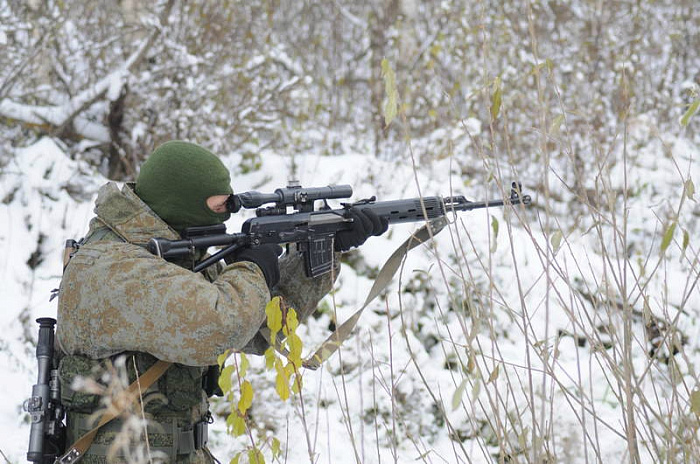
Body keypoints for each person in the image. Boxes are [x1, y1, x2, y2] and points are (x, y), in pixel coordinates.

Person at [55, 140, 387, 463]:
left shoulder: (173, 250)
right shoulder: (114, 267)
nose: (225, 216)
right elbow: (222, 327)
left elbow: (257, 331)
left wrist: (323, 248)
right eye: (218, 207)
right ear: (180, 202)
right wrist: (253, 267)